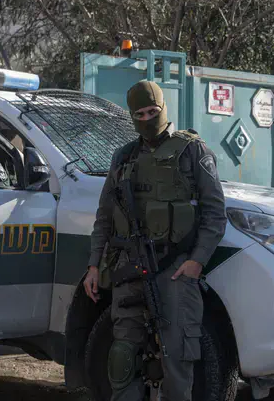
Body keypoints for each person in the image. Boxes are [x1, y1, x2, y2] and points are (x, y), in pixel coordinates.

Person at [83, 80, 227, 401]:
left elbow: (215, 214)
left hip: (174, 270)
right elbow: (105, 215)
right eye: (140, 114)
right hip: (128, 267)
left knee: (177, 355)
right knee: (122, 355)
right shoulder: (124, 157)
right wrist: (94, 264)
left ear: (164, 108)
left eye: (153, 111)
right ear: (132, 116)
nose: (148, 119)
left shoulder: (192, 151)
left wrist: (196, 261)